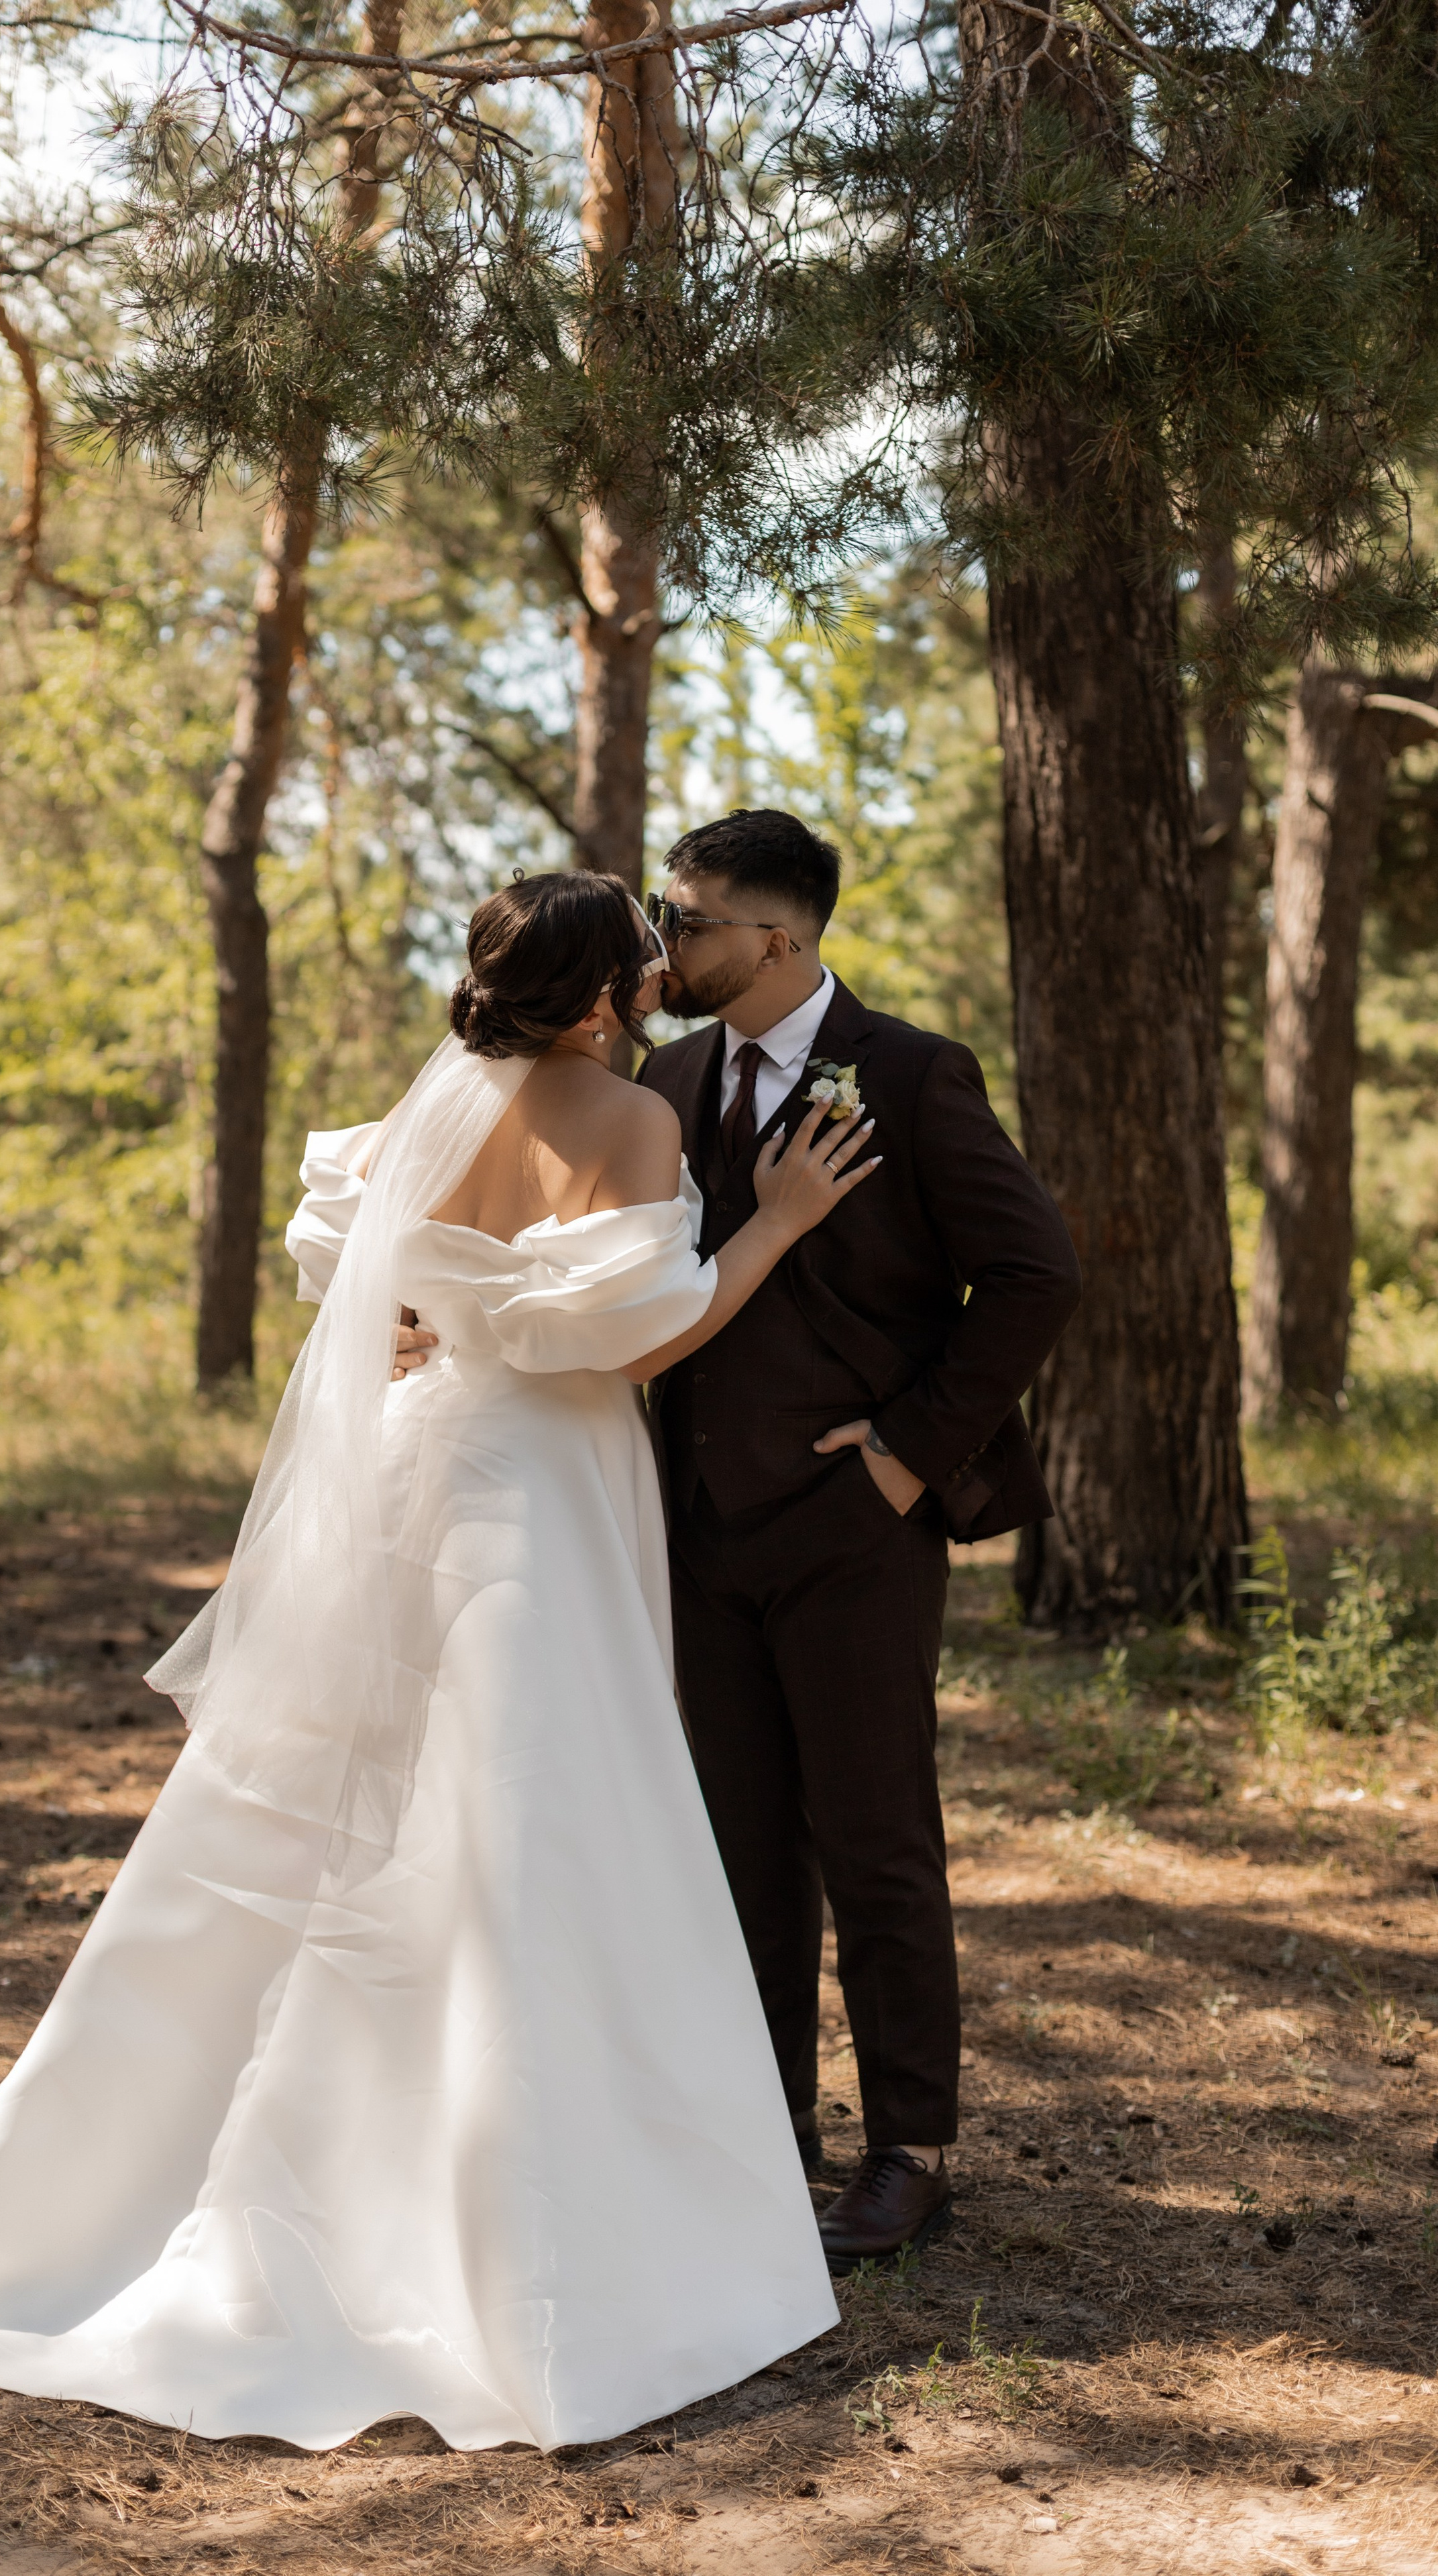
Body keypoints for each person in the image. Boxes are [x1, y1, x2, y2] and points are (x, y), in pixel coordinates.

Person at [0, 870, 879, 2453]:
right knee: (527, 1825)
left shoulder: (428, 1114)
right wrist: (781, 1225)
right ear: (601, 996)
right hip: (532, 1489)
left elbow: (382, 1302)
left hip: (413, 1465)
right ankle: (527, 2245)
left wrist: (432, 1320)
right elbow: (639, 1336)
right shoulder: (631, 1122)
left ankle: (140, 2179)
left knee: (348, 1801)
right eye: (641, 956)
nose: (662, 971)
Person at [639, 810, 1083, 2271]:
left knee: (875, 1842)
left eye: (684, 918)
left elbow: (1030, 1275)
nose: (664, 941)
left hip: (850, 1533)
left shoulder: (904, 1074)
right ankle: (767, 2131)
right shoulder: (671, 1075)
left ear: (774, 939)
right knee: (741, 1849)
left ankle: (910, 2151)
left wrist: (902, 1455)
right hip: (696, 1529)